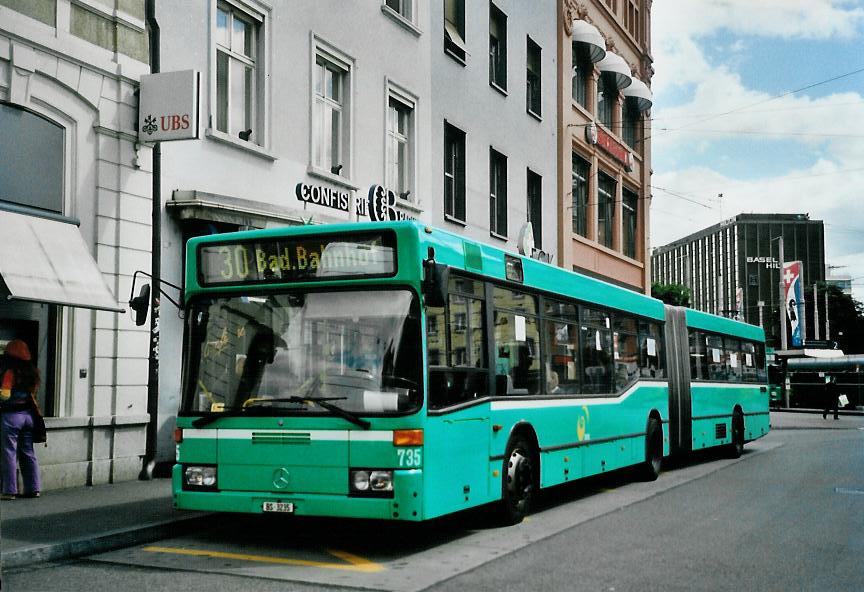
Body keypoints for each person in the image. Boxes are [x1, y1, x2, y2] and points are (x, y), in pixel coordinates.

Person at [0, 339, 42, 499]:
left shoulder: (10, 372)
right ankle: (33, 488)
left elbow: (5, 395)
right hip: (29, 417)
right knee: (28, 452)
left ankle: (9, 490)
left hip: (11, 416)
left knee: (9, 452)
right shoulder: (33, 372)